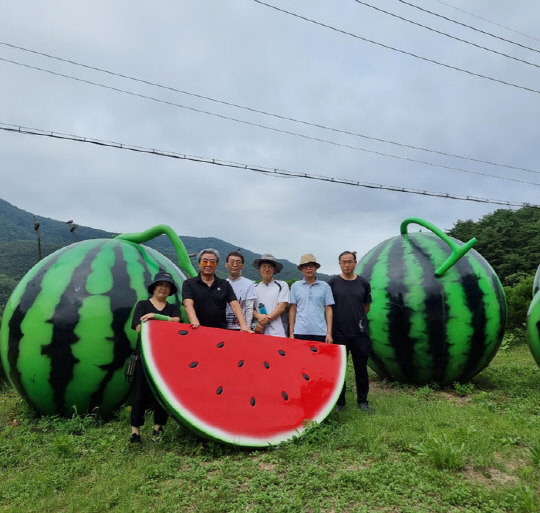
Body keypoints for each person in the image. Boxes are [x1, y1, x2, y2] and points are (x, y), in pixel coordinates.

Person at [130, 271, 181, 443]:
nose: (163, 288)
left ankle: (158, 429)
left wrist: (155, 317)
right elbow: (139, 327)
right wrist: (162, 324)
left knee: (161, 395)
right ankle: (135, 432)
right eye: (160, 285)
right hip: (144, 356)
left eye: (167, 286)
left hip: (164, 358)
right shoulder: (143, 304)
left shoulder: (173, 308)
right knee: (139, 394)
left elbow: (176, 322)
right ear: (154, 288)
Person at [329, 251, 373, 413]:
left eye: (350, 262)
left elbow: (366, 306)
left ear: (355, 263)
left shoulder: (363, 283)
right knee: (340, 370)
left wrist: (357, 319)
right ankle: (340, 403)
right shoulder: (333, 282)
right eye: (343, 262)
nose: (347, 265)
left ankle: (363, 401)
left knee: (361, 369)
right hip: (338, 333)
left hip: (360, 334)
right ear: (339, 263)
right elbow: (328, 307)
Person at [182, 248, 251, 331]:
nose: (208, 264)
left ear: (216, 265)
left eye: (212, 262)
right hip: (197, 329)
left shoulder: (224, 284)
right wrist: (194, 321)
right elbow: (188, 304)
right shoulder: (189, 284)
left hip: (220, 331)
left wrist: (243, 325)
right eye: (205, 261)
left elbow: (235, 305)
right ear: (199, 263)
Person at [289, 254, 334, 343]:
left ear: (316, 268)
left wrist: (329, 333)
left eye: (311, 266)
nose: (308, 268)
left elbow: (329, 309)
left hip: (320, 332)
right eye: (305, 266)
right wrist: (291, 332)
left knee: (319, 357)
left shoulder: (325, 286)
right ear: (301, 269)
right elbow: (292, 309)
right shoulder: (295, 286)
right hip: (299, 331)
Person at [252, 254, 289, 337]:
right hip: (259, 333)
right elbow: (250, 308)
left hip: (279, 333)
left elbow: (281, 307)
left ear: (274, 270)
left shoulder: (282, 285)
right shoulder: (253, 287)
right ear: (259, 269)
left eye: (270, 267)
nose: (267, 269)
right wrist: (258, 316)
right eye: (264, 266)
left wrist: (263, 323)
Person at [225, 251, 257, 330]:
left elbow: (249, 308)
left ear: (242, 266)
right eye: (232, 262)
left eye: (238, 262)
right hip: (224, 327)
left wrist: (247, 327)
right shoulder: (222, 284)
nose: (235, 264)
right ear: (226, 264)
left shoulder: (249, 284)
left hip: (241, 328)